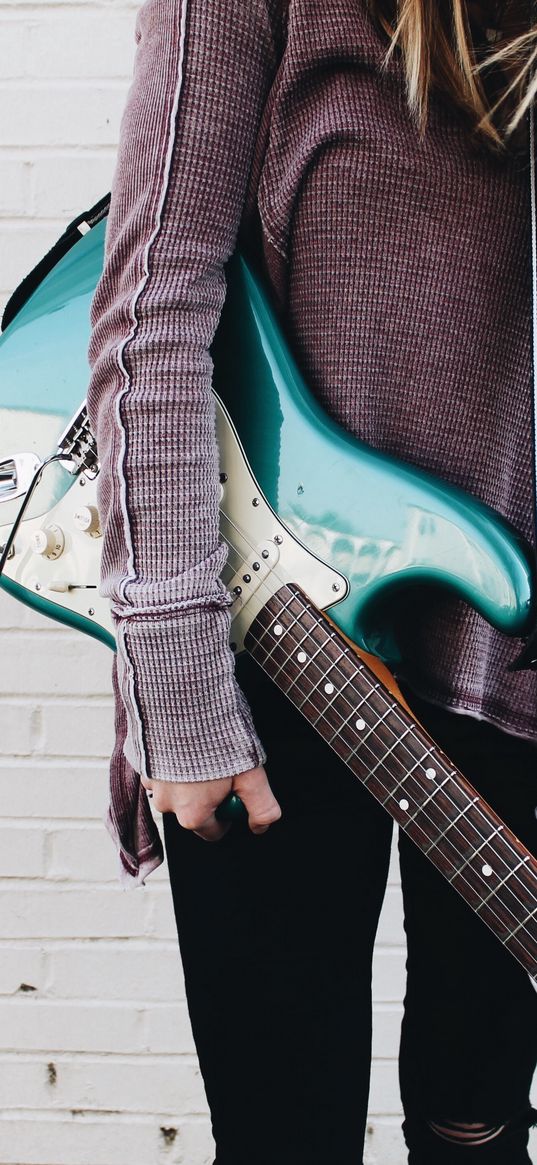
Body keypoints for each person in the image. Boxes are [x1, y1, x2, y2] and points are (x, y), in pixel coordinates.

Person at [86, 1, 537, 1161]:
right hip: (279, 653)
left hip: (520, 682)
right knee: (287, 1134)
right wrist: (178, 689)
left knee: (476, 1128)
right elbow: (150, 309)